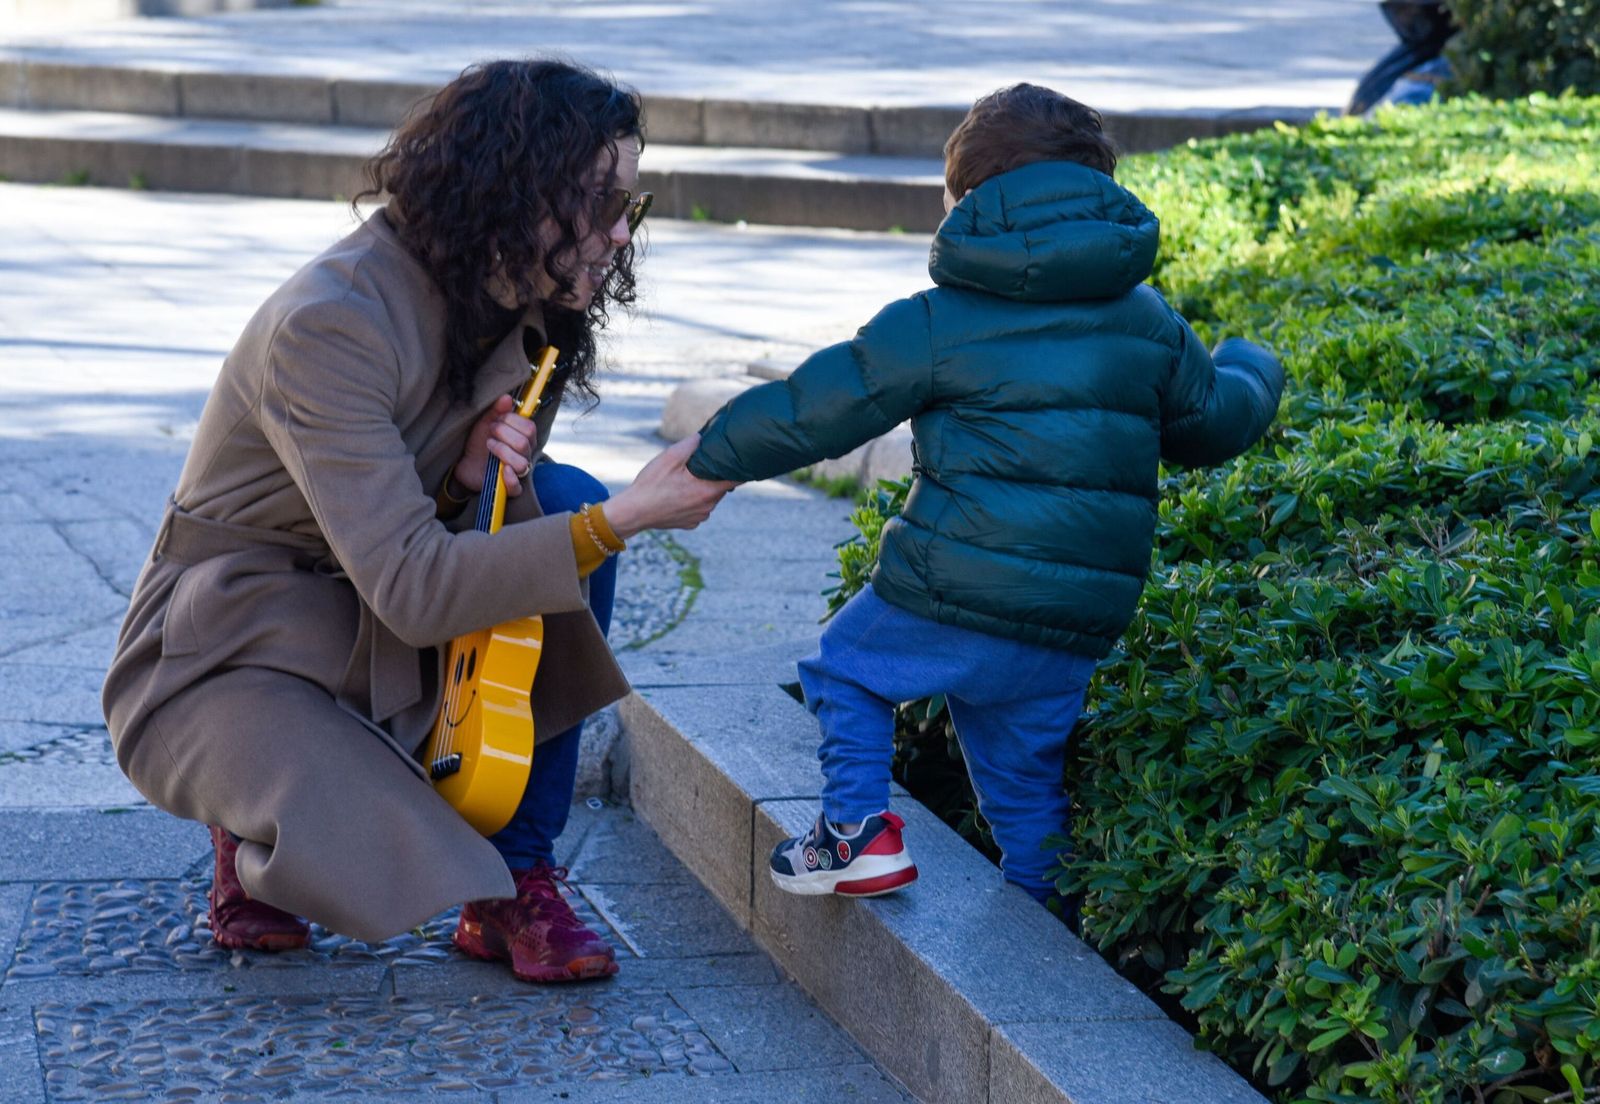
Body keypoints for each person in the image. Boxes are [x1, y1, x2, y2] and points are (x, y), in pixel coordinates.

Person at [101, 58, 732, 982]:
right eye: (596, 204)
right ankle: (246, 827)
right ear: (511, 194)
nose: (615, 238)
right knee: (362, 840)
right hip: (237, 643)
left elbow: (436, 542)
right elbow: (411, 588)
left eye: (625, 207)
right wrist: (629, 519)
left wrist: (467, 486)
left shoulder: (521, 298)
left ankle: (515, 875)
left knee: (553, 502)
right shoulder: (332, 322)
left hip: (375, 617)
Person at [686, 84, 1285, 914]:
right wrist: (1253, 365)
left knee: (847, 670)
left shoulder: (941, 319)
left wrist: (710, 453)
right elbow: (1210, 424)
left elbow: (820, 405)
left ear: (968, 200)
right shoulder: (1147, 320)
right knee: (1023, 781)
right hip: (1076, 616)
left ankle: (856, 832)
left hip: (955, 584)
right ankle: (1048, 917)